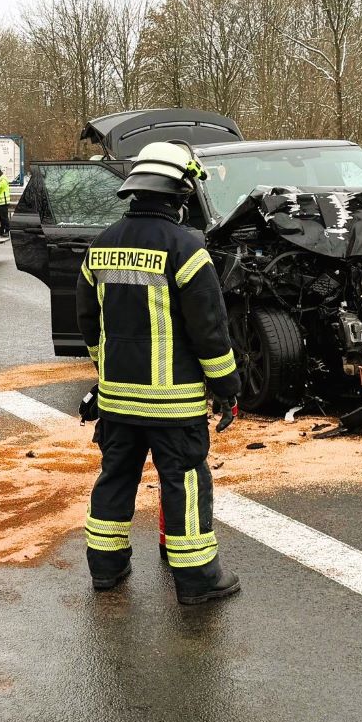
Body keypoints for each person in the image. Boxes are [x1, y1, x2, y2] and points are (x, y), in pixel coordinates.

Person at [76, 140, 242, 605]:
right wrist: (227, 388)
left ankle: (106, 569)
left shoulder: (101, 245)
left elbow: (89, 322)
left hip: (117, 400)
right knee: (185, 481)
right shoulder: (187, 249)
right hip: (174, 403)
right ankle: (197, 581)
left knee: (115, 478)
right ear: (180, 194)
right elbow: (210, 330)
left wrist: (104, 368)